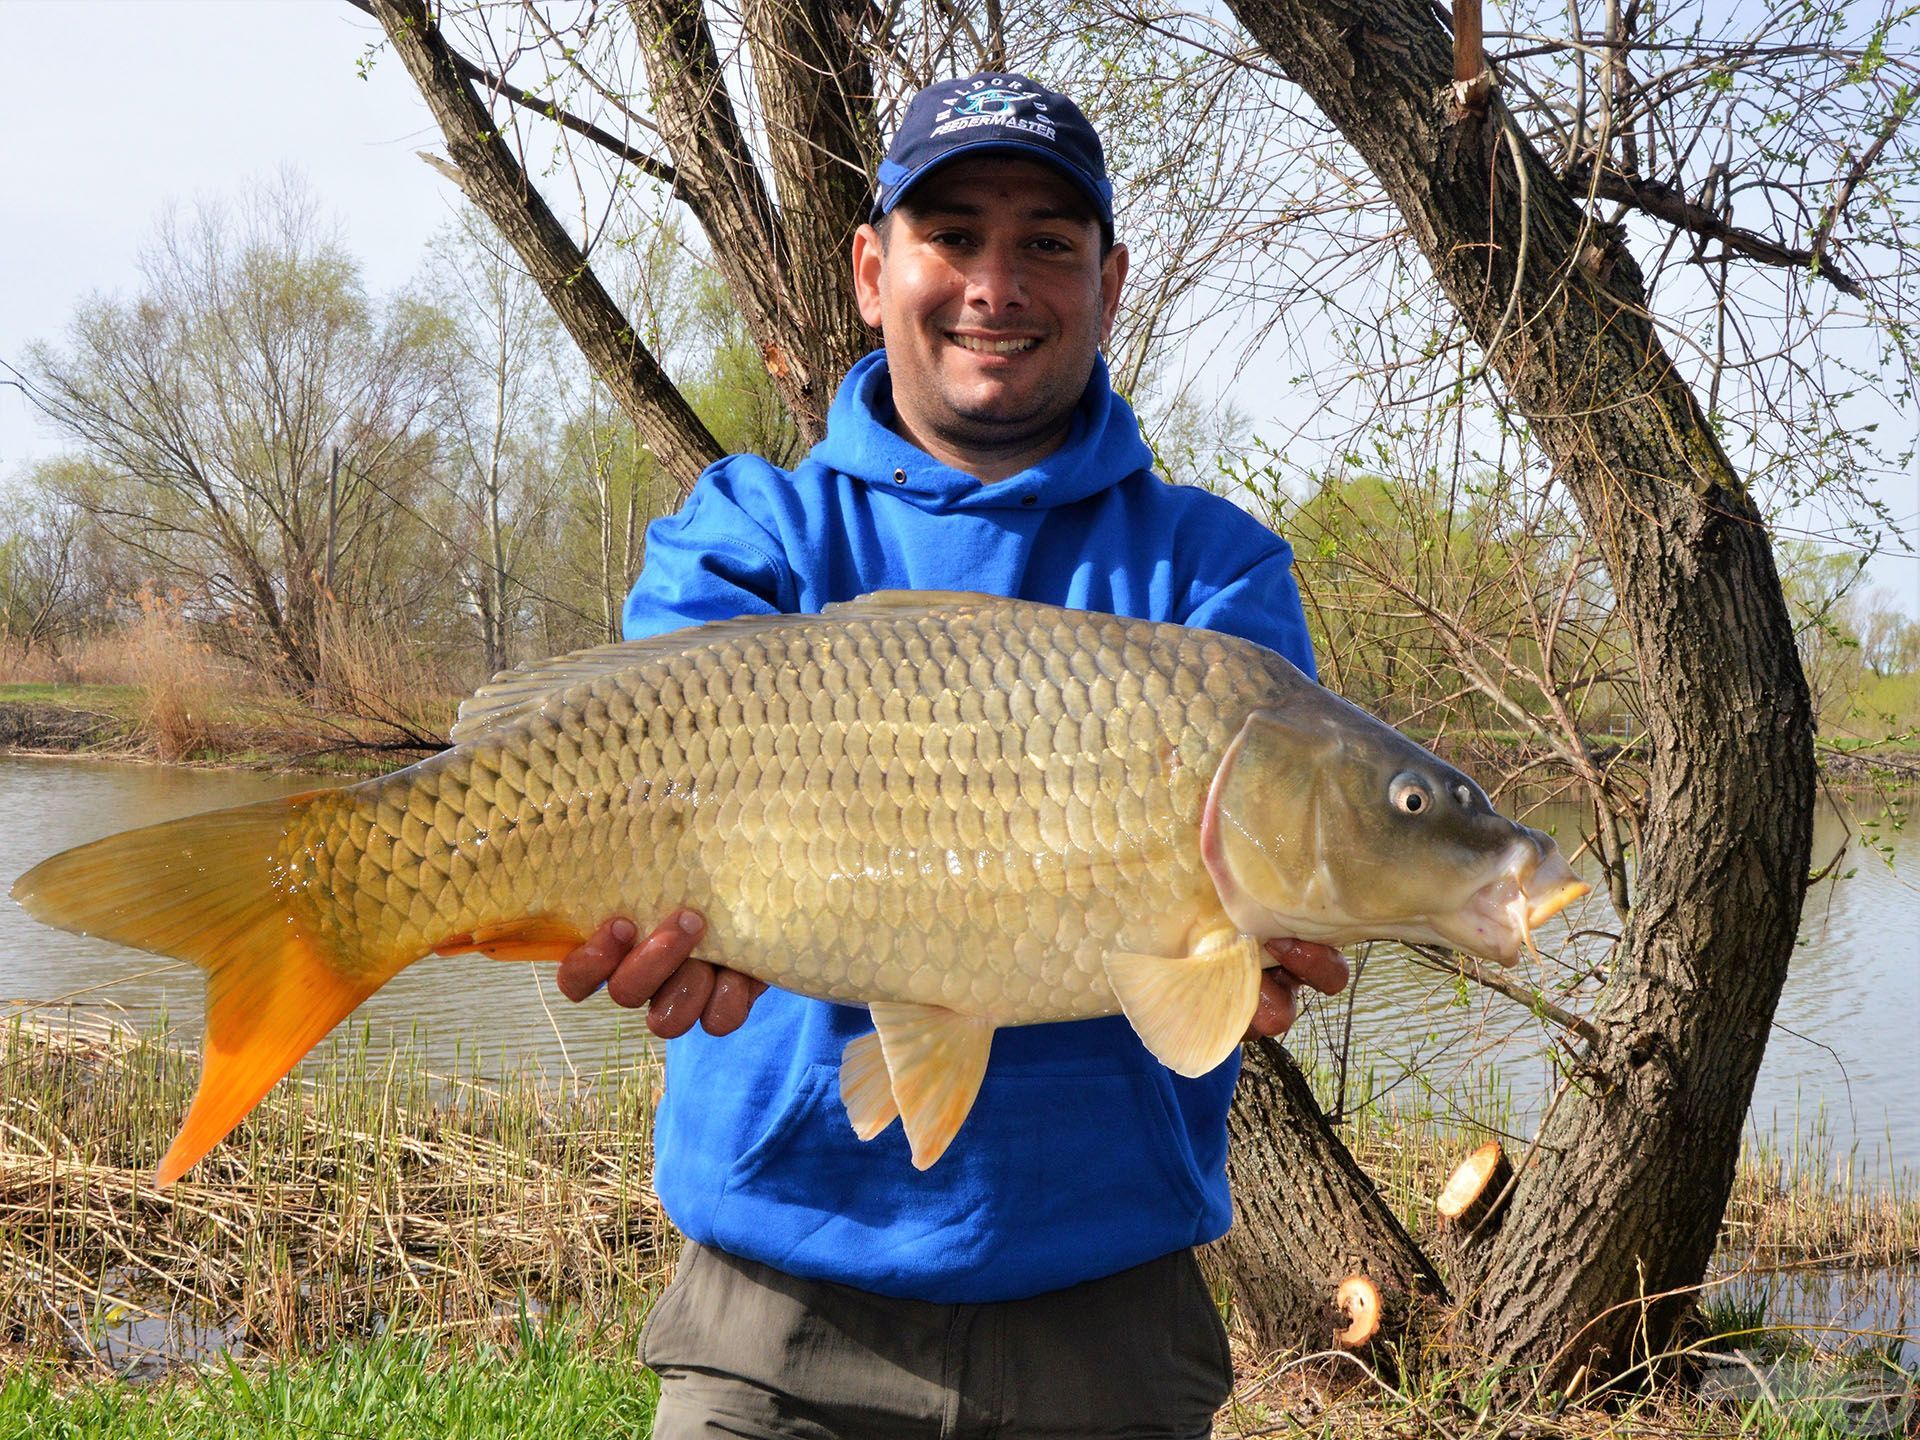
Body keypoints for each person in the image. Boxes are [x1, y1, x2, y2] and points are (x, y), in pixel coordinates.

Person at [556, 72, 1350, 1438]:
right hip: (775, 1320)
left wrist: (1280, 940)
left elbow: (1276, 892)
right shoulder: (752, 537)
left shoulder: (1212, 576)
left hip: (1107, 1319)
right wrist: (638, 920)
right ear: (873, 271)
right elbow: (628, 784)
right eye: (954, 236)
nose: (999, 281)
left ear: (1108, 284)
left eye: (1048, 241)